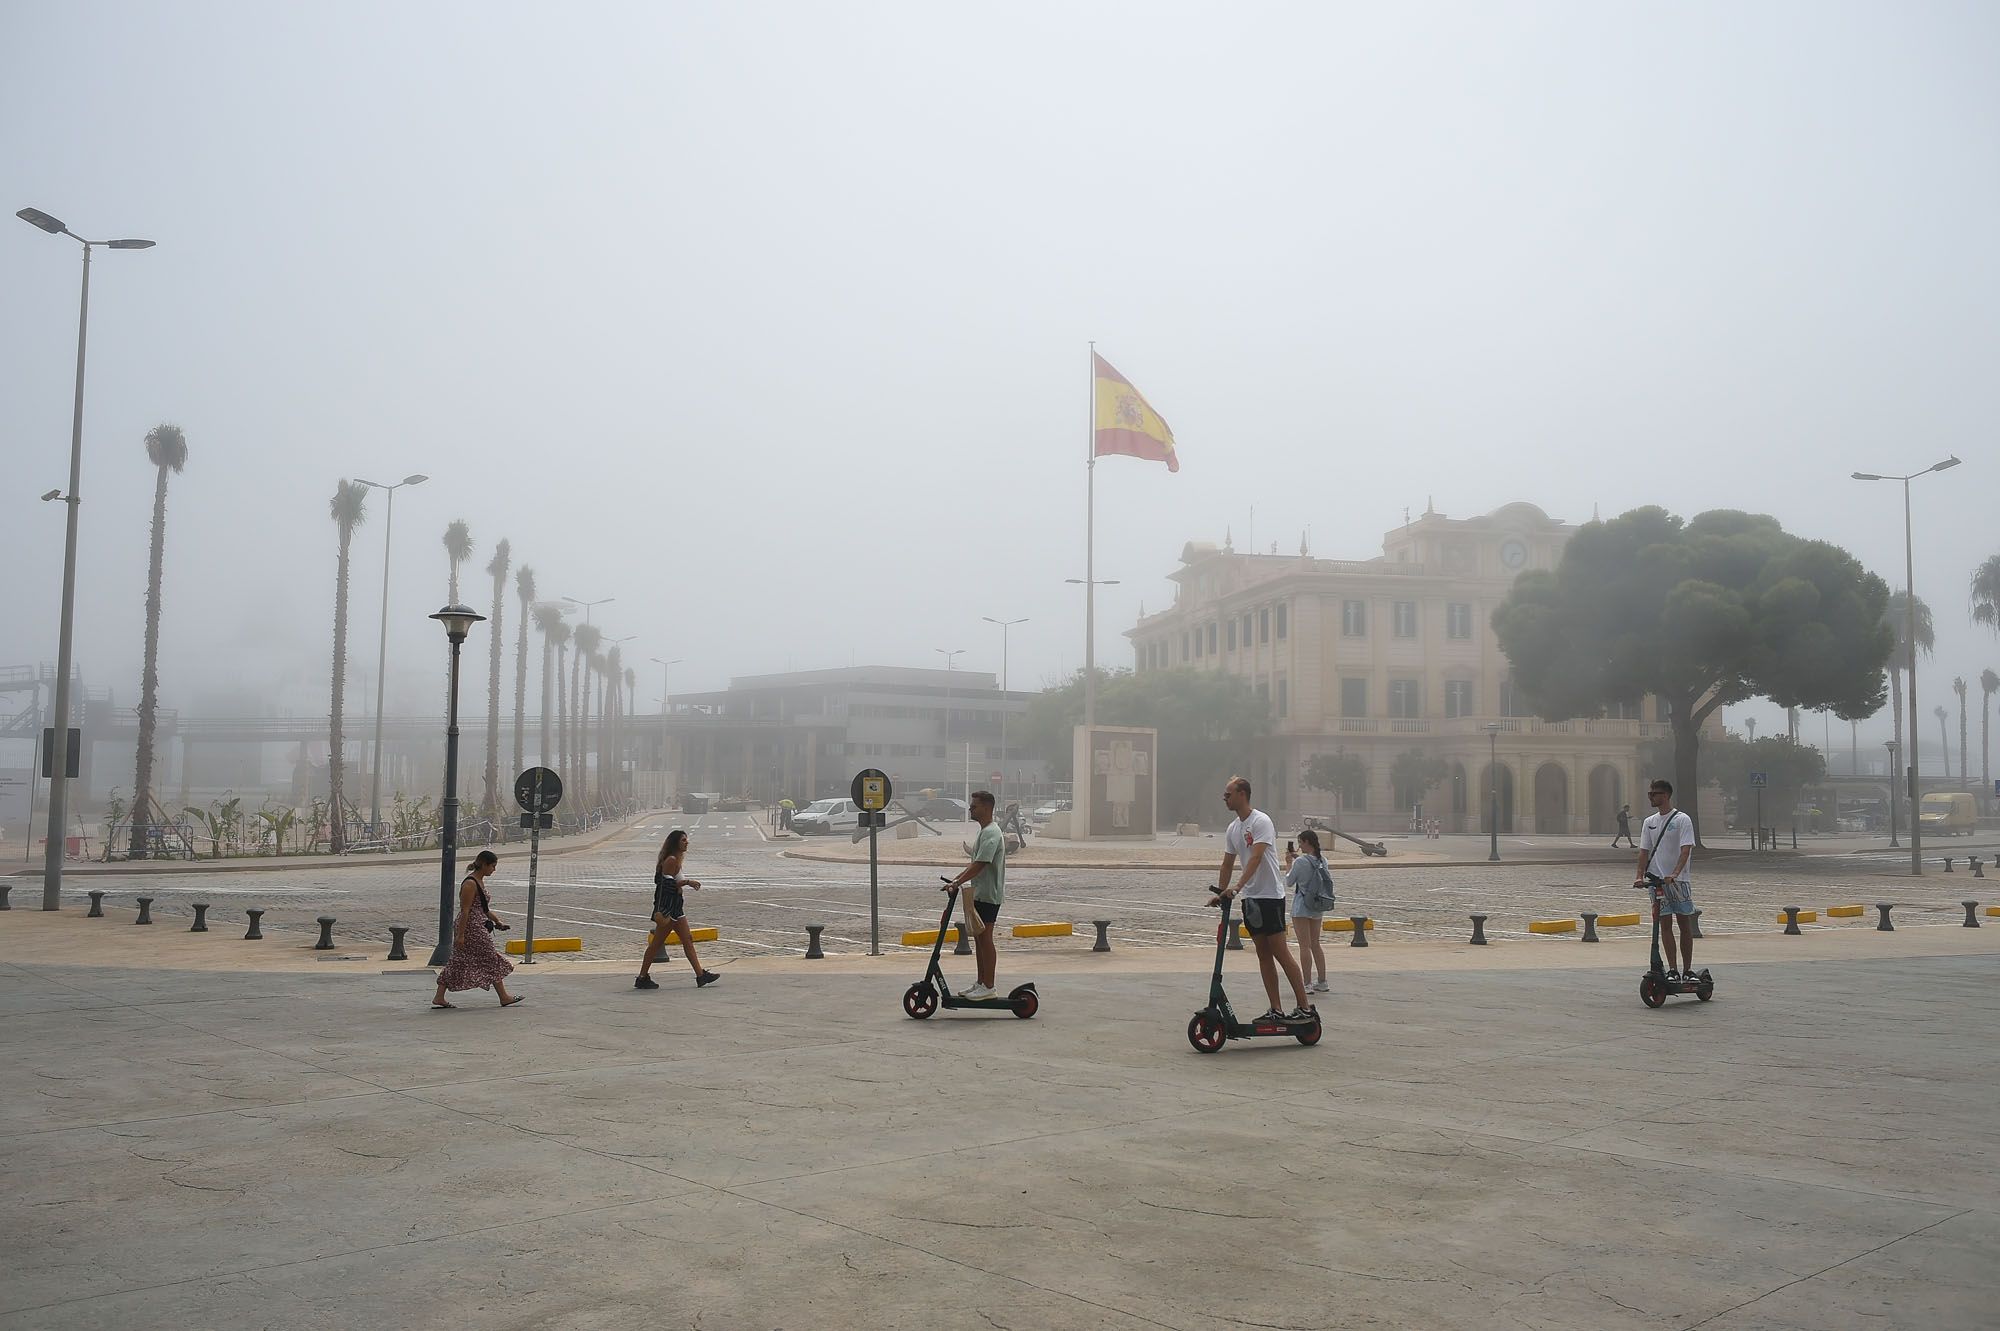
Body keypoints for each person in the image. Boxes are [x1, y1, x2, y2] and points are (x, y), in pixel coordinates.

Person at [1212, 777, 1313, 1021]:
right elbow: (1227, 862)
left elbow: (1256, 858)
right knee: (1263, 954)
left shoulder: (1261, 821)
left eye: (1228, 794)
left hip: (1270, 896)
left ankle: (1304, 1007)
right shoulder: (1233, 828)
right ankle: (1276, 1009)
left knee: (1280, 952)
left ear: (1242, 794)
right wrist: (1220, 893)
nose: (1224, 798)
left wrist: (1236, 886)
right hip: (1251, 898)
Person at [431, 850, 523, 1009]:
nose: (494, 870)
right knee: (490, 958)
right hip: (470, 927)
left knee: (458, 961)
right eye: (493, 866)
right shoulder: (470, 883)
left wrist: (498, 922)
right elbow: (465, 910)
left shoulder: (479, 881)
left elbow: (484, 908)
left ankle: (439, 997)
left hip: (477, 924)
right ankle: (504, 997)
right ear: (484, 865)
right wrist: (460, 935)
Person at [636, 829, 720, 990]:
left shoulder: (676, 859)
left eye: (686, 840)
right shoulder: (671, 860)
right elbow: (666, 884)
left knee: (687, 939)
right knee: (657, 944)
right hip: (669, 908)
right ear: (675, 843)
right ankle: (642, 977)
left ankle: (700, 975)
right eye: (683, 840)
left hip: (677, 907)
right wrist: (688, 882)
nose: (686, 842)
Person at [942, 789, 1005, 998]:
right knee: (979, 939)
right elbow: (973, 864)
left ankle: (989, 986)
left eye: (974, 805)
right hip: (978, 894)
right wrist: (955, 881)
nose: (970, 808)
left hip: (988, 894)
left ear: (986, 808)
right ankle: (980, 982)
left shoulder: (992, 833)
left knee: (986, 938)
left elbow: (980, 865)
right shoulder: (983, 831)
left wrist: (958, 881)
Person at [1634, 780, 1697, 978]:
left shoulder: (1682, 819)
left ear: (1666, 795)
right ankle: (1672, 969)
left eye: (1655, 794)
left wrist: (1675, 873)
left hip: (1678, 882)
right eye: (1649, 794)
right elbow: (1644, 852)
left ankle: (1687, 969)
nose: (1651, 797)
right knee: (1664, 925)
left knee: (1684, 924)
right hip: (1657, 881)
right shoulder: (1649, 822)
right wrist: (1639, 876)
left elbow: (1685, 850)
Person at [1282, 828, 1334, 994]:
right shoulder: (1323, 860)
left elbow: (1289, 881)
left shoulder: (1300, 862)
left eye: (1300, 843)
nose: (1299, 846)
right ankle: (1322, 981)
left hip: (1302, 906)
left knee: (1304, 946)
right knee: (1316, 944)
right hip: (1317, 905)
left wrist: (1289, 863)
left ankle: (1307, 983)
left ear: (1306, 842)